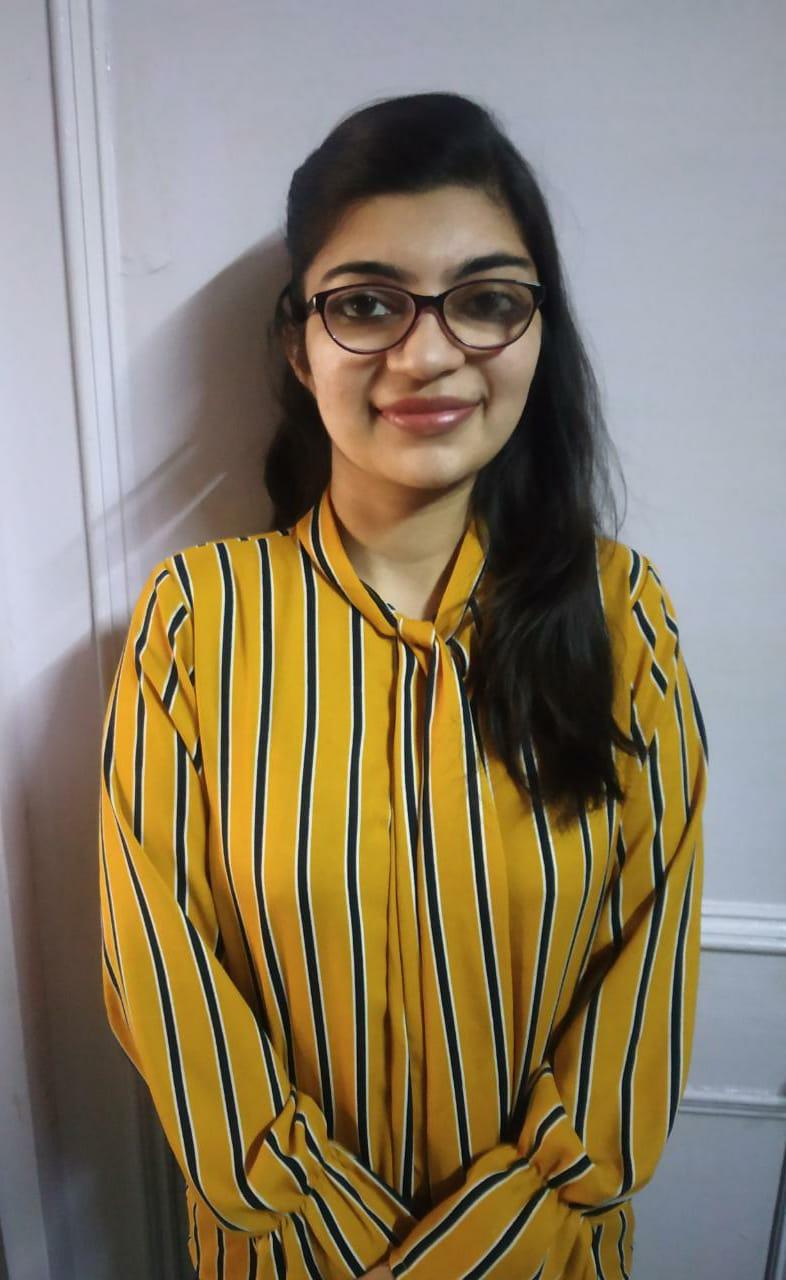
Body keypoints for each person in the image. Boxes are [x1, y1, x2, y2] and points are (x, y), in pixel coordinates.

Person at [98, 92, 708, 1280]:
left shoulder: (622, 617)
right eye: (369, 303)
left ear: (537, 330)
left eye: (486, 299)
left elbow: (647, 975)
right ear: (300, 343)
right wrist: (315, 1223)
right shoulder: (199, 621)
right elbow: (158, 960)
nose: (427, 354)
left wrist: (482, 1248)